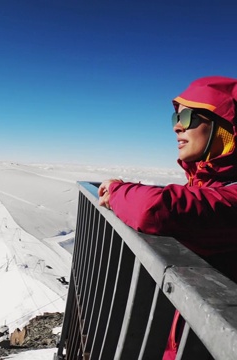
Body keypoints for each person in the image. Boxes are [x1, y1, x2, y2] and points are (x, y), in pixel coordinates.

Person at [97, 76, 237, 360]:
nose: (176, 126)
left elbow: (153, 209)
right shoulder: (209, 188)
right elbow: (184, 201)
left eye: (188, 116)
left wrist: (117, 191)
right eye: (176, 115)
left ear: (225, 127)